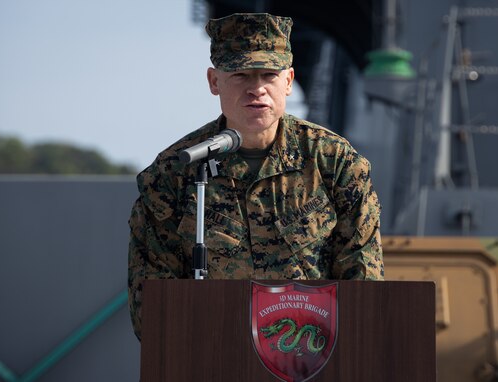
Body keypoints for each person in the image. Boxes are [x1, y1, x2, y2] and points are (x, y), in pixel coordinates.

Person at [128, 12, 383, 340]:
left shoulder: (335, 163)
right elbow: (150, 305)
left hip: (310, 356)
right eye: (241, 75)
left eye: (268, 75)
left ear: (288, 81)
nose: (257, 89)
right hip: (212, 360)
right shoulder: (172, 174)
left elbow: (364, 282)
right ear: (214, 81)